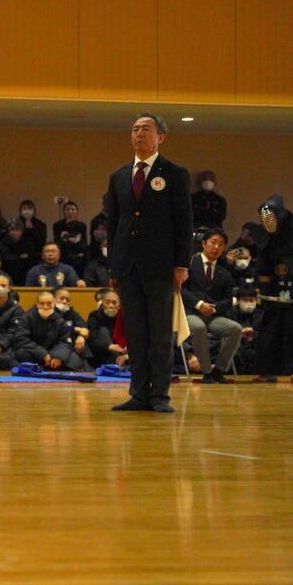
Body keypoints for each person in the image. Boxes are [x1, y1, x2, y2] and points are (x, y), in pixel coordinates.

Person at [106, 112, 193, 413]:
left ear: (161, 137)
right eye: (134, 129)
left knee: (158, 335)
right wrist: (113, 267)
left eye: (146, 129)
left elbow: (184, 222)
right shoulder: (118, 176)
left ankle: (160, 395)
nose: (139, 134)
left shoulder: (174, 173)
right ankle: (139, 393)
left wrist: (181, 264)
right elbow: (114, 223)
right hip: (127, 266)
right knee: (137, 334)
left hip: (161, 266)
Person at [180, 228, 241, 384]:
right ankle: (206, 371)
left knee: (235, 329)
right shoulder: (189, 264)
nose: (216, 247)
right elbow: (181, 289)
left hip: (213, 315)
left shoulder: (225, 273)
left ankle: (219, 370)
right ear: (203, 243)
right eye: (213, 242)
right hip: (190, 313)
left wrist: (213, 308)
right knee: (198, 327)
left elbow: (227, 300)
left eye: (221, 245)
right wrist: (199, 304)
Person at [252, 196, 293, 382]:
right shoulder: (264, 234)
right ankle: (267, 371)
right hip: (273, 286)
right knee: (270, 331)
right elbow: (262, 263)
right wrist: (264, 287)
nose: (269, 220)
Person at [14, 291, 86, 370]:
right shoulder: (26, 318)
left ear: (54, 304)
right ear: (37, 304)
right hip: (34, 352)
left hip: (54, 353)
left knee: (74, 360)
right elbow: (21, 339)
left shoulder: (60, 321)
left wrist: (58, 356)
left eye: (49, 304)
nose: (45, 307)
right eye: (42, 303)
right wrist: (43, 354)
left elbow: (65, 342)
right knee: (21, 354)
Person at [84, 289, 126, 366]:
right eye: (107, 302)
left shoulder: (123, 317)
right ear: (102, 304)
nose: (111, 306)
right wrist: (109, 346)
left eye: (114, 303)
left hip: (122, 352)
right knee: (103, 330)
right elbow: (92, 340)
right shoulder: (95, 316)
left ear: (119, 305)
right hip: (101, 353)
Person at [53, 200, 88, 272]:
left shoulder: (81, 225)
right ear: (63, 212)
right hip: (63, 257)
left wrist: (77, 241)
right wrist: (62, 239)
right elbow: (56, 244)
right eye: (67, 209)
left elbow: (84, 243)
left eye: (73, 209)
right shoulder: (57, 225)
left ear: (77, 212)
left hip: (78, 258)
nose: (70, 212)